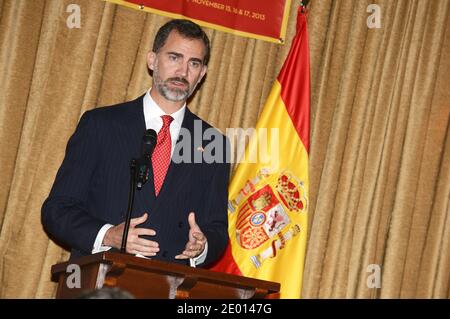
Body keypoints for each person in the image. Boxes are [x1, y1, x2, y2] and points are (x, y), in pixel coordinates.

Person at [41, 19, 230, 268]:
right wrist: (108, 235)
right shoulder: (101, 124)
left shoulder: (212, 142)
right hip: (100, 282)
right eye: (174, 58)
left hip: (170, 286)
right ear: (152, 61)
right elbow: (57, 209)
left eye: (193, 63)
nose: (183, 72)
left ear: (202, 74)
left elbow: (217, 228)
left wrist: (203, 246)